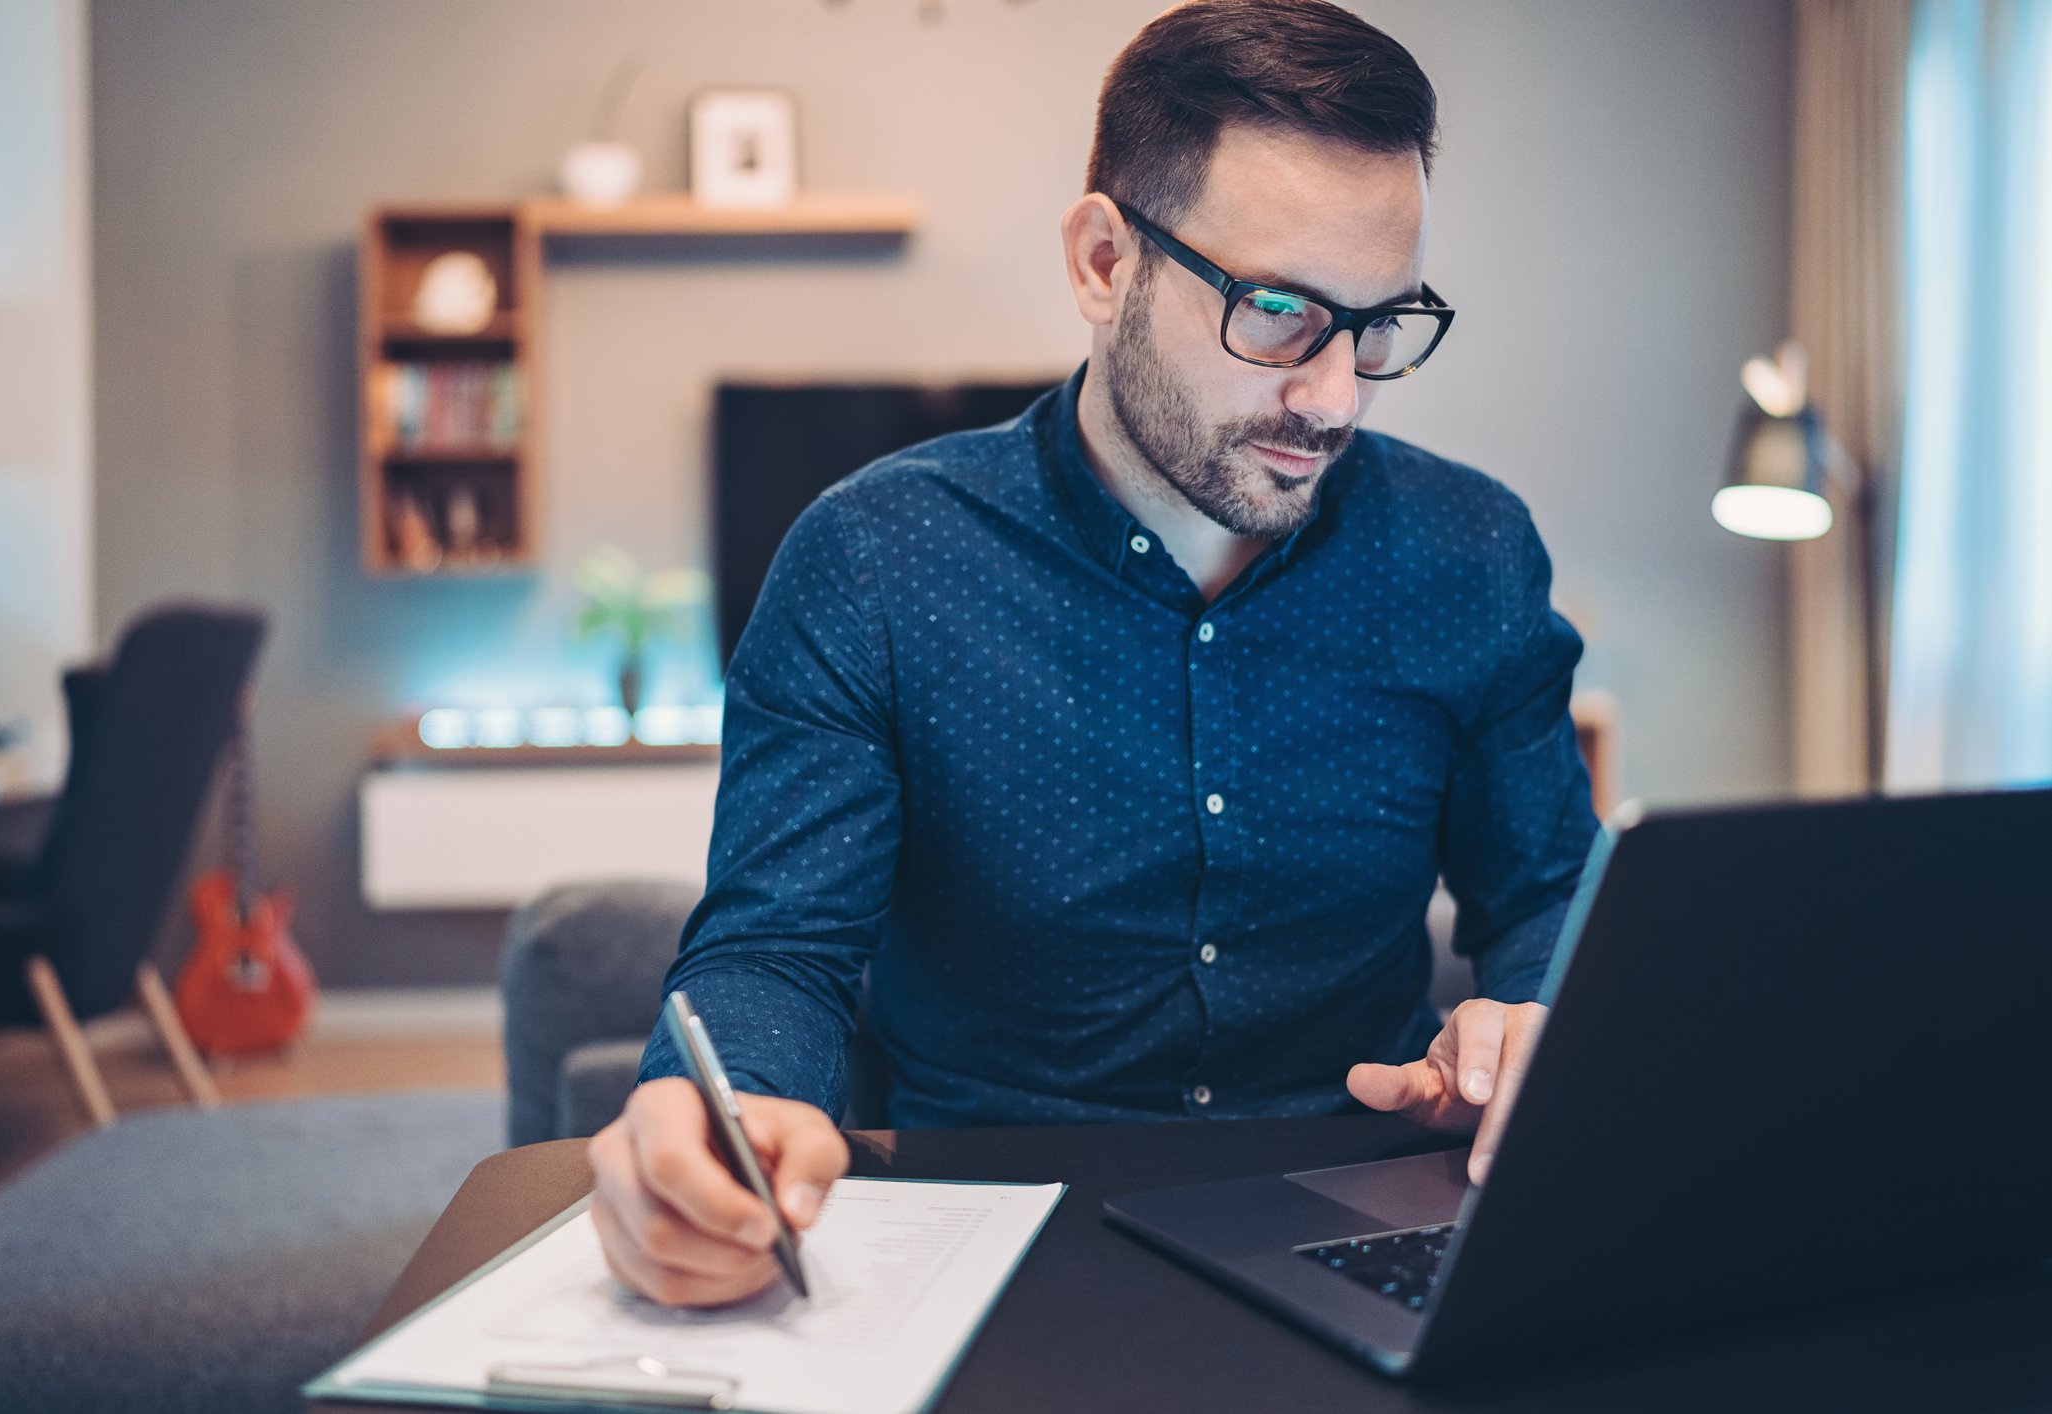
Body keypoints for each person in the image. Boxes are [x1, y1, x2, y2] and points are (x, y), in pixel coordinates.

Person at [588, 0, 1599, 1308]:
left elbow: (1547, 898)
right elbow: (776, 951)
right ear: (1101, 262)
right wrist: (717, 1118)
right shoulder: (871, 561)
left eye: (1379, 322)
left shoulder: (1469, 552)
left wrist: (1530, 1011)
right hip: (986, 1229)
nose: (1336, 394)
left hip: (1359, 1224)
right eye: (1279, 310)